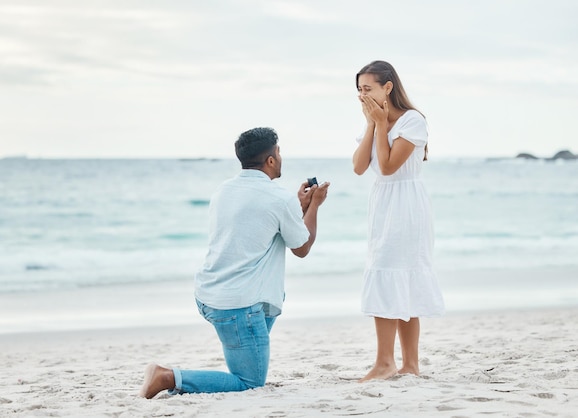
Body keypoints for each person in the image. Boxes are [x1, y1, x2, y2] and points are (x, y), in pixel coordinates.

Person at [140, 127, 330, 397]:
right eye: (279, 151)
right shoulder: (279, 198)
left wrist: (298, 206)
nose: (280, 156)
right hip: (239, 305)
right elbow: (302, 247)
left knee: (257, 329)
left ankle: (230, 358)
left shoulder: (224, 190)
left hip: (210, 294)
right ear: (271, 160)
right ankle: (167, 377)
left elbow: (260, 229)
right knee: (249, 382)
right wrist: (315, 206)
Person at [352, 60, 444, 381]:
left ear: (387, 87)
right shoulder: (376, 121)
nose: (362, 95)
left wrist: (380, 125)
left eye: (368, 89)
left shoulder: (413, 121)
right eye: (359, 90)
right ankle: (401, 365)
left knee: (397, 275)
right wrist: (372, 124)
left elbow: (389, 166)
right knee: (390, 275)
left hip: (406, 206)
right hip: (383, 204)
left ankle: (394, 364)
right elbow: (360, 166)